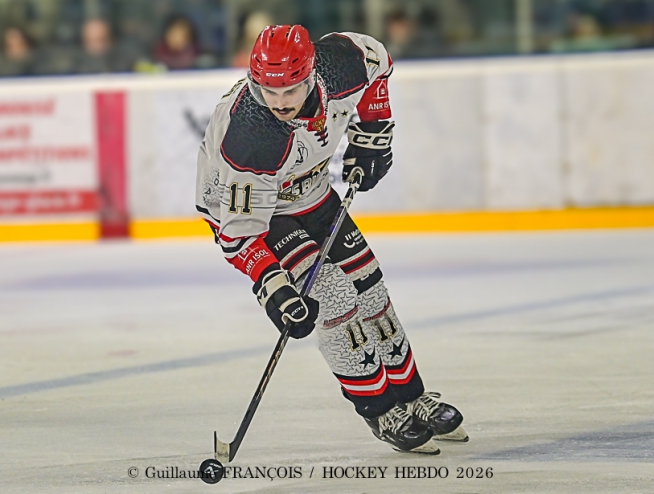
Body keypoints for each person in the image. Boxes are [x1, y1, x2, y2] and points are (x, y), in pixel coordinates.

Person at [195, 25, 468, 454]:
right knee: (337, 298)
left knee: (373, 291)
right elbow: (236, 232)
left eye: (291, 90)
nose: (280, 102)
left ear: (311, 75)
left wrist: (373, 130)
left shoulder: (340, 64)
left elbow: (377, 60)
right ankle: (380, 410)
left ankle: (412, 397)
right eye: (268, 91)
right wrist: (273, 288)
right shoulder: (250, 135)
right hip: (262, 217)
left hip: (314, 193)